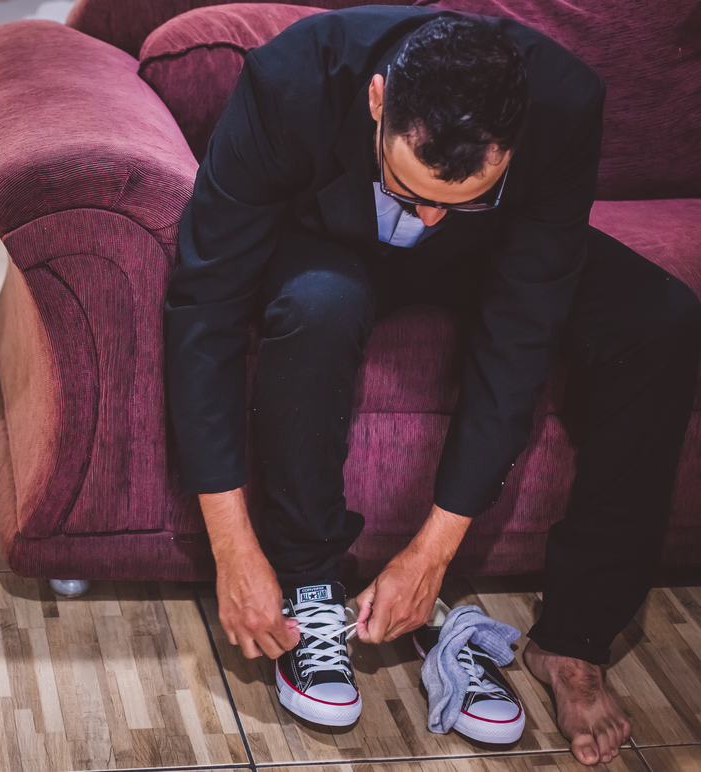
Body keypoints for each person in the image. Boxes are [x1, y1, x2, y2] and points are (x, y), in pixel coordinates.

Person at [163, 6, 701, 766]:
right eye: (407, 186)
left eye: (461, 196)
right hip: (329, 243)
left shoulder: (564, 104)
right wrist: (233, 546)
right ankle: (308, 582)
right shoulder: (290, 81)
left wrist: (431, 555)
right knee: (318, 306)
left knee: (662, 321)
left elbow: (521, 333)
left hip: (489, 256)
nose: (428, 216)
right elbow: (205, 306)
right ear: (377, 100)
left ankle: (575, 641)